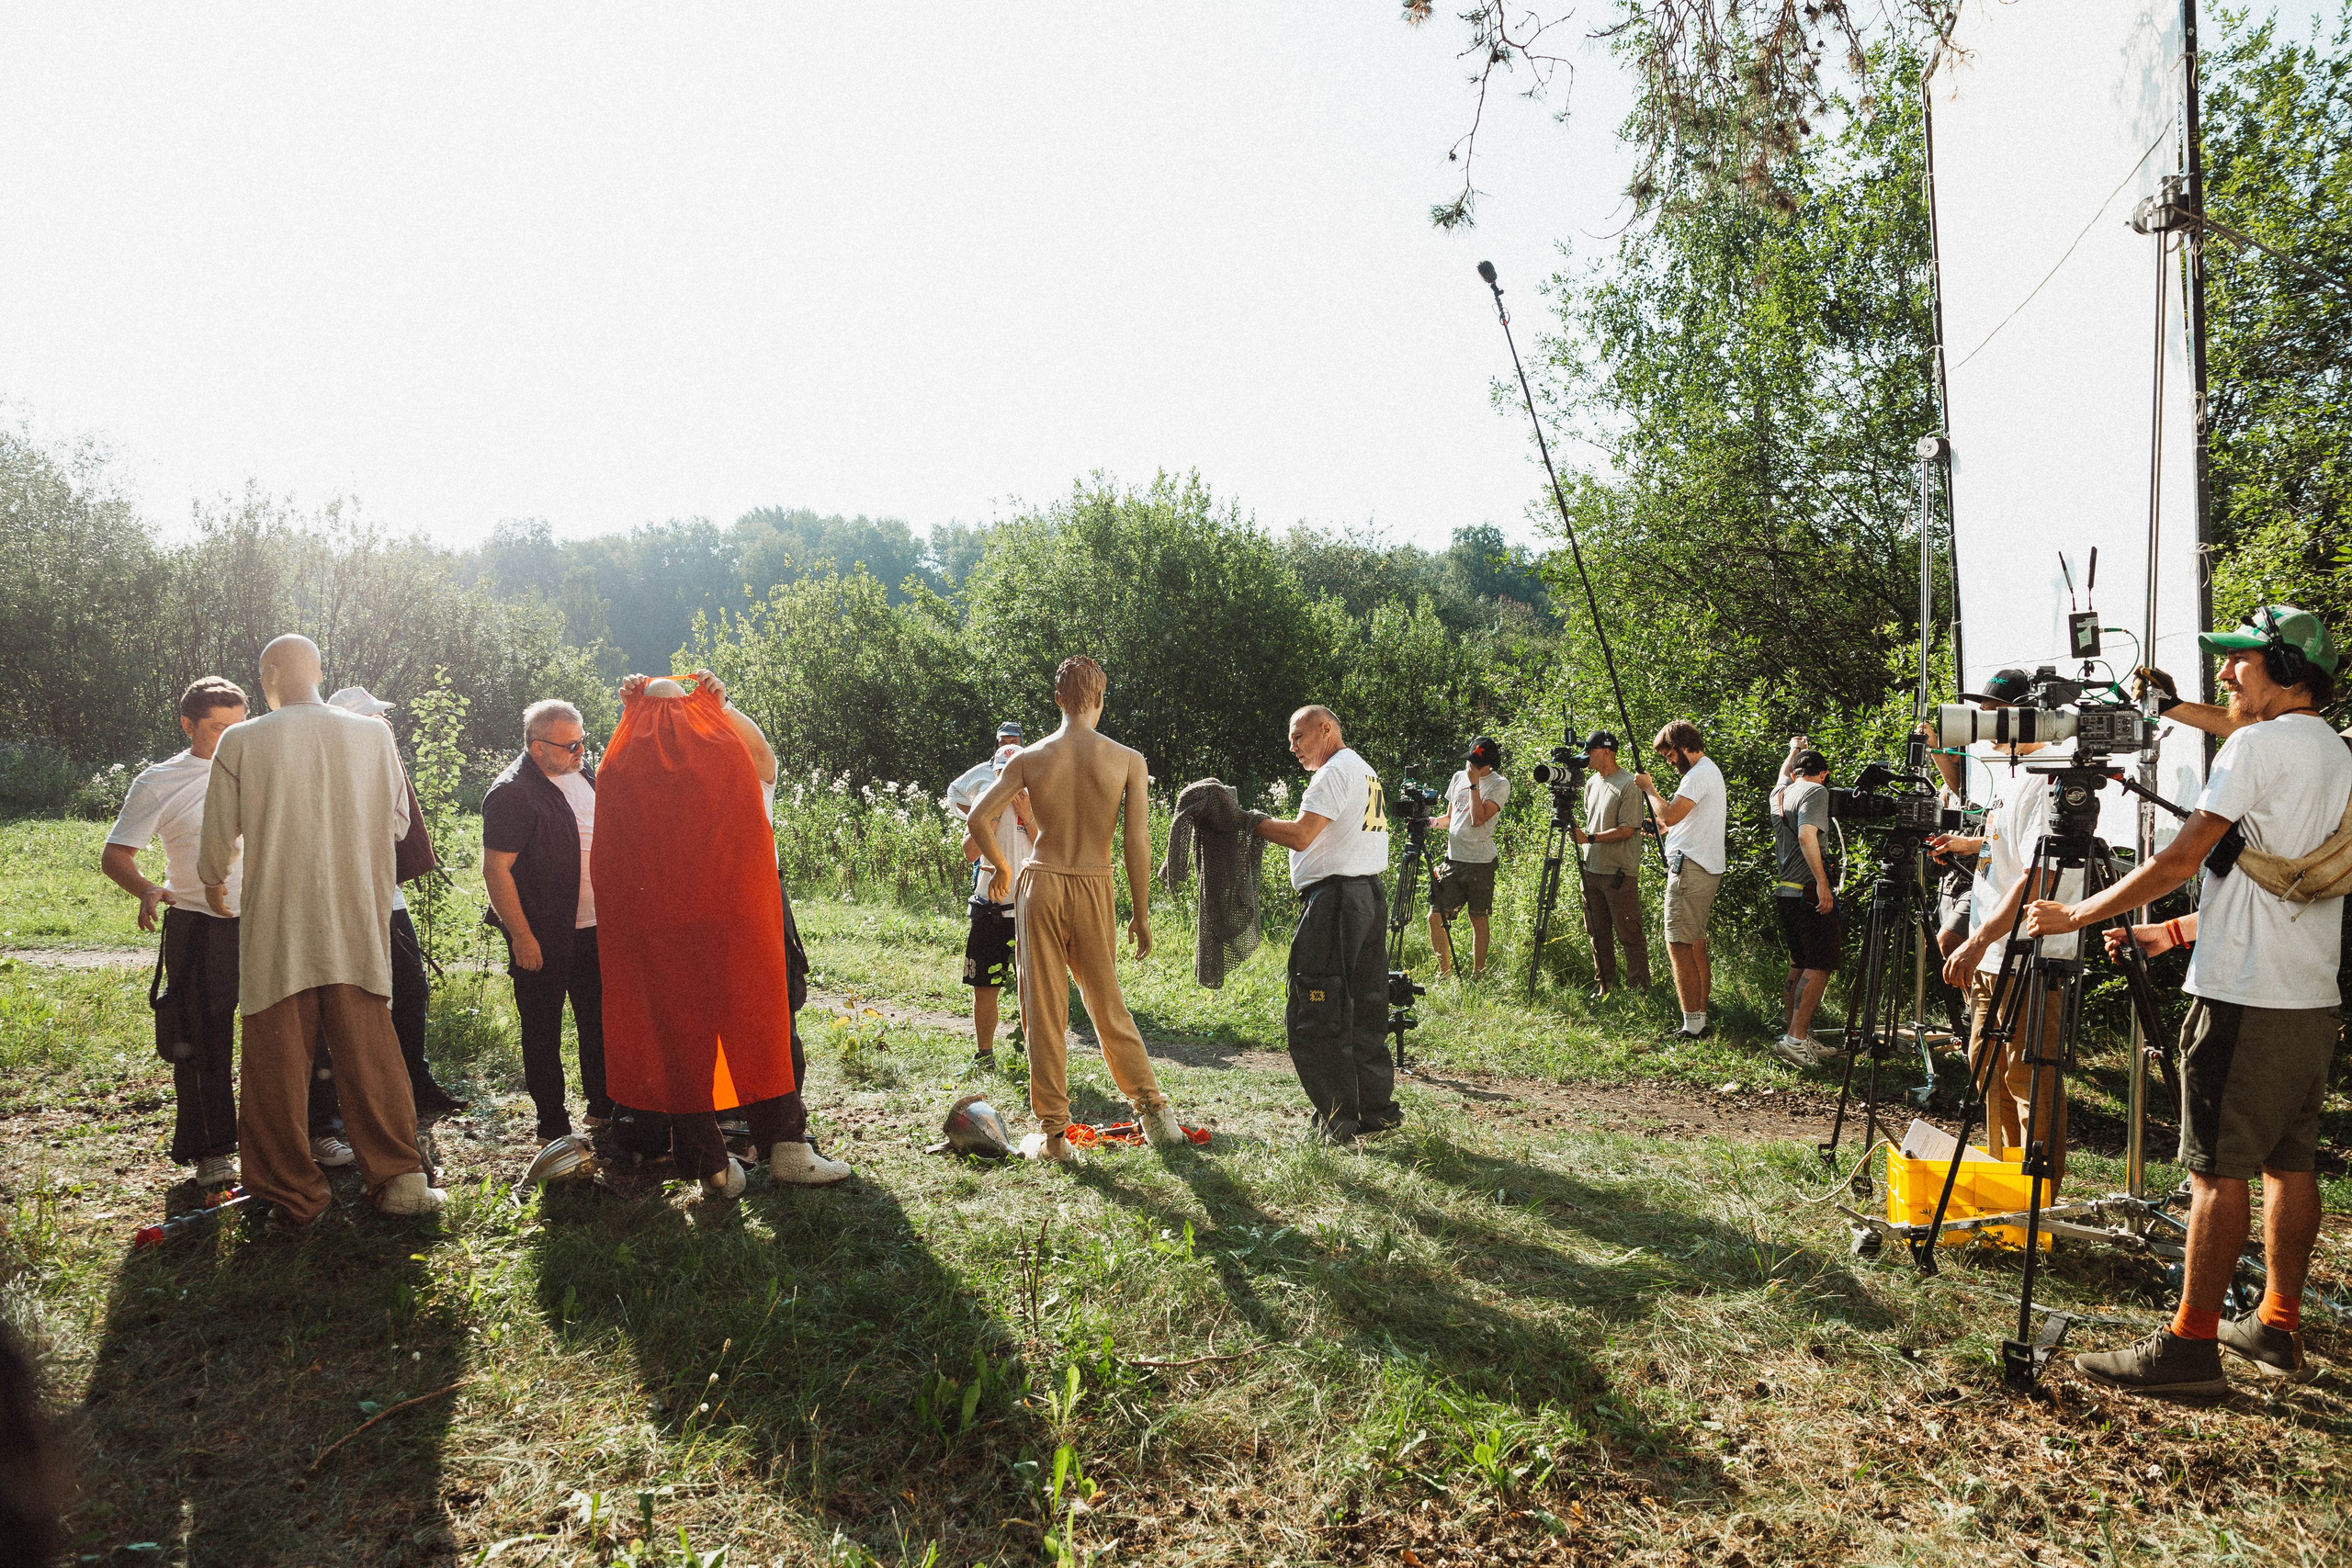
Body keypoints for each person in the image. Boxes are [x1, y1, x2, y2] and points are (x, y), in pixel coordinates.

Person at [2027, 605, 2347, 1394]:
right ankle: (2276, 1324)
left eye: (2242, 660)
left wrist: (2076, 914)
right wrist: (2170, 934)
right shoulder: (2337, 752)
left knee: (2214, 1173)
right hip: (2310, 996)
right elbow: (2279, 876)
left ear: (2287, 668)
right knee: (2289, 1161)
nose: (2229, 672)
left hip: (2244, 993)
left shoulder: (2256, 745)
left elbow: (2178, 858)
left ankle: (2190, 1347)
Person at [195, 635, 443, 1223]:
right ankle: (400, 1179)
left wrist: (211, 880)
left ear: (274, 670)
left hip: (281, 923)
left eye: (262, 671)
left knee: (276, 1062)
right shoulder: (373, 734)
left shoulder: (242, 739)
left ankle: (292, 1192)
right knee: (372, 1054)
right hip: (356, 916)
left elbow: (216, 841)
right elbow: (400, 821)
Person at [597, 674, 846, 1196]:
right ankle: (784, 1148)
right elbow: (759, 753)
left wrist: (640, 709)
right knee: (762, 1022)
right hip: (735, 922)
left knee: (681, 1034)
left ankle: (712, 1163)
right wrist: (715, 706)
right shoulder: (724, 759)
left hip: (665, 928)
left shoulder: (624, 766)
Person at [969, 657, 1186, 1161]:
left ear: (1057, 699)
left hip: (1040, 882)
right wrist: (1141, 912)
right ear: (1101, 701)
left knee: (1042, 1009)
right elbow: (1137, 842)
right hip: (1094, 883)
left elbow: (980, 817)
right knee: (1106, 1002)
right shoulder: (1128, 759)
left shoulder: (1028, 757)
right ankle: (1156, 1114)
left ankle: (1053, 1137)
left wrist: (1001, 866)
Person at [101, 678, 255, 1188]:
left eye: (239, 727)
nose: (231, 738)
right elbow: (116, 855)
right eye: (218, 729)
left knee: (290, 1031)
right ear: (188, 725)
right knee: (201, 1037)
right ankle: (213, 1148)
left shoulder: (265, 766)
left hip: (270, 919)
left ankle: (307, 1132)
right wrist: (146, 888)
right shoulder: (159, 780)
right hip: (197, 921)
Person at [1932, 672, 2067, 1192]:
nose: (1983, 722)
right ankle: (2003, 1183)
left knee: (2027, 1074)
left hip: (2027, 952)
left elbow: (2039, 877)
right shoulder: (2013, 774)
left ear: (2023, 713)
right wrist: (1964, 846)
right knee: (1985, 1065)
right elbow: (2003, 850)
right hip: (1993, 953)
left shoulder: (2048, 775)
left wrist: (1978, 938)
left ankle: (2039, 1196)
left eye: (1992, 710)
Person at [1250, 705, 1400, 1144]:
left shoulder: (1334, 771)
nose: (1292, 747)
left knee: (1319, 1008)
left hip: (1335, 902)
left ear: (1326, 729)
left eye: (1299, 736)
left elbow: (1301, 835)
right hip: (1368, 896)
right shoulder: (1364, 769)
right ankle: (1377, 1113)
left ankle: (1336, 1121)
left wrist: (1249, 822)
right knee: (1366, 1007)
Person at [326, 685, 465, 1121]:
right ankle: (362, 1098)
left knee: (410, 988)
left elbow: (398, 832)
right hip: (346, 901)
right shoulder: (330, 773)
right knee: (359, 997)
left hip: (388, 895)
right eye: (372, 718)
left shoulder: (379, 761)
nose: (385, 724)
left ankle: (414, 1084)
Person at [481, 698, 611, 1145]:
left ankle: (603, 1110)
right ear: (537, 748)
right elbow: (496, 871)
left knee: (598, 1022)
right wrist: (521, 936)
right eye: (570, 745)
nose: (580, 753)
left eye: (583, 742)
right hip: (543, 935)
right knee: (543, 1031)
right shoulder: (512, 793)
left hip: (593, 929)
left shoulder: (581, 773)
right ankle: (552, 1125)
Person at [945, 721, 1037, 1063]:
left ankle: (1036, 1058)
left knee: (1033, 992)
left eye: (1014, 776)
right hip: (990, 908)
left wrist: (1027, 814)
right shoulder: (985, 801)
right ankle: (984, 1054)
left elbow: (1048, 846)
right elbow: (969, 852)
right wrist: (993, 812)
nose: (1008, 783)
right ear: (994, 772)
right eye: (1002, 775)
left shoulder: (1037, 799)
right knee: (986, 988)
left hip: (1028, 908)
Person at [1635, 720, 1727, 1040]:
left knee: (1678, 944)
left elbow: (1672, 813)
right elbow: (1679, 821)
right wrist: (1665, 829)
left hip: (1689, 870)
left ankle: (1693, 1028)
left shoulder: (1698, 774)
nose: (1669, 761)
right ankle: (1699, 1019)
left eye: (1670, 754)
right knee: (1696, 944)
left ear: (1686, 746)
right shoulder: (1707, 772)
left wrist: (1649, 788)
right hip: (1702, 867)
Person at [1767, 739, 1840, 1067]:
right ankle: (1796, 1040)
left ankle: (1793, 1034)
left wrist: (1792, 748)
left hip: (1785, 891)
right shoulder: (1817, 793)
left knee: (1799, 962)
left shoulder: (1780, 793)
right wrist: (1823, 885)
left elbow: (1784, 773)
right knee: (1820, 965)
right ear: (1823, 775)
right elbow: (1806, 835)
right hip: (1808, 890)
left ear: (1796, 772)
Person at [1572, 730, 1650, 998]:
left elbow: (1629, 829)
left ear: (1606, 751)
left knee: (1629, 933)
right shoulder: (1592, 783)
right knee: (1597, 933)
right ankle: (1605, 985)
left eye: (1590, 752)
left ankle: (1639, 990)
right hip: (1591, 869)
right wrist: (1585, 841)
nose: (1586, 758)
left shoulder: (1629, 784)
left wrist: (1590, 838)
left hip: (1619, 873)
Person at [1427, 736, 1510, 979]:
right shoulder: (1457, 777)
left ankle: (1479, 973)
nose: (1471, 766)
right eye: (1470, 760)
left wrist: (1474, 785)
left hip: (1480, 863)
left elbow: (1478, 818)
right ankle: (1445, 973)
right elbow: (1451, 818)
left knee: (1478, 917)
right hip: (1453, 859)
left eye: (1477, 763)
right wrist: (1430, 822)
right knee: (1435, 915)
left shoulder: (1499, 784)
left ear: (1489, 764)